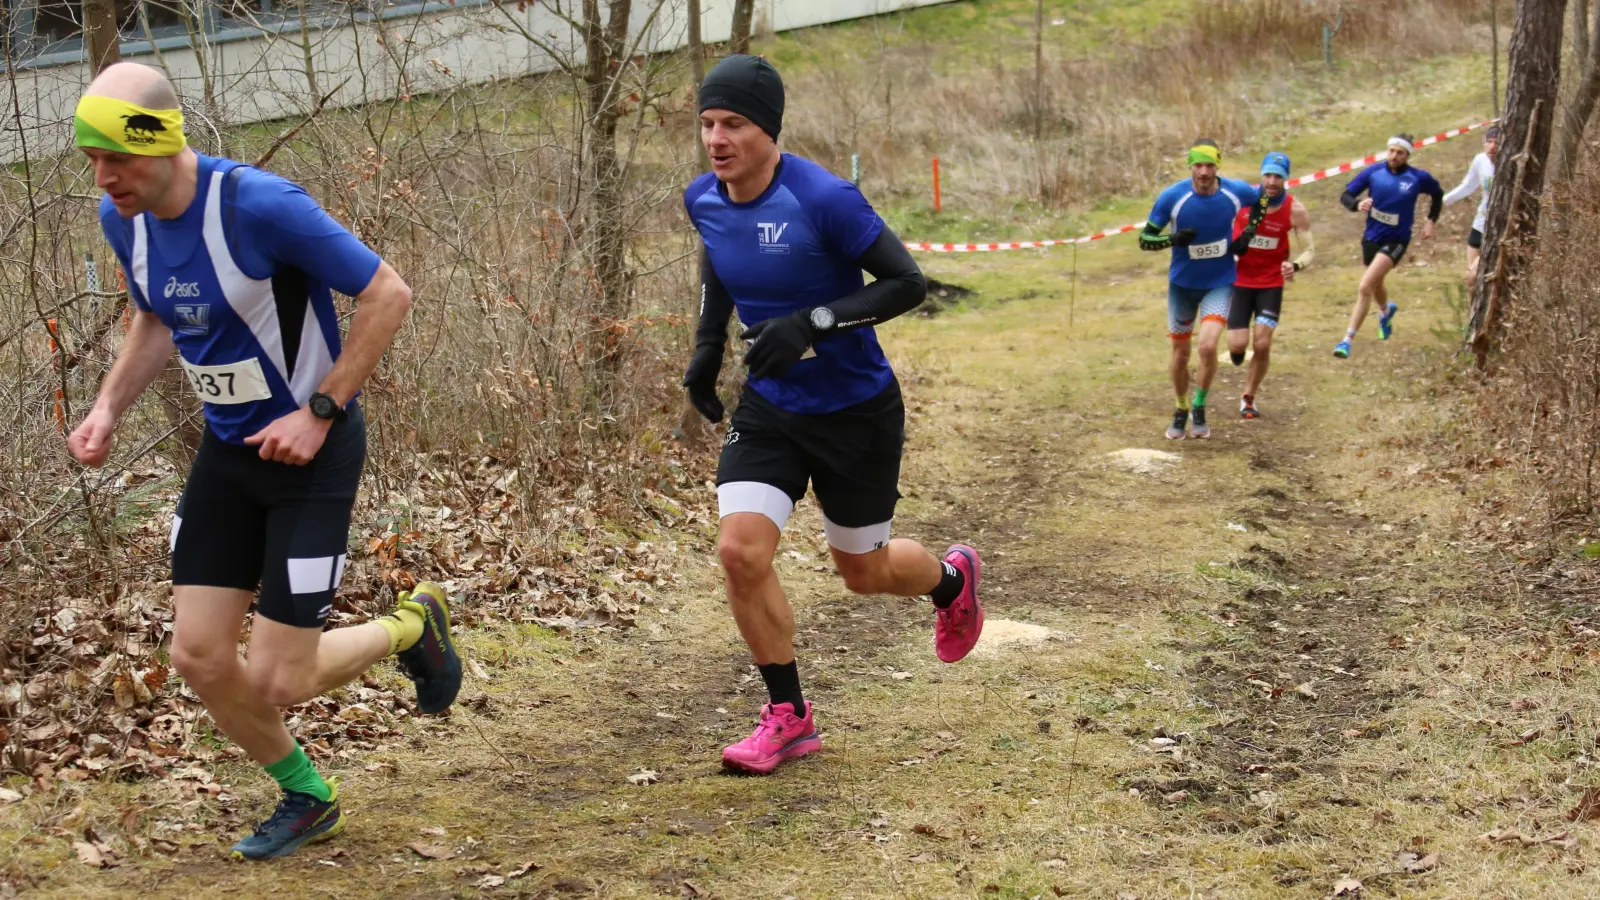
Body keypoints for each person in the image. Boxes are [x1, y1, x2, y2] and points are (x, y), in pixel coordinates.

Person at [66, 63, 461, 859]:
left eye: (118, 159)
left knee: (283, 677)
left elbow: (388, 292)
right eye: (92, 162)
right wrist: (108, 406)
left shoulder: (259, 206)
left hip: (311, 458)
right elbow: (152, 318)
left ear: (162, 142)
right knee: (201, 656)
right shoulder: (126, 218)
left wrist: (321, 409)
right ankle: (307, 795)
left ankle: (413, 626)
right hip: (228, 453)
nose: (105, 179)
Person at [681, 55, 984, 775]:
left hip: (855, 411)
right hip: (773, 408)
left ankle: (950, 581)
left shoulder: (824, 198)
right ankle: (789, 715)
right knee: (740, 553)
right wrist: (703, 348)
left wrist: (811, 322)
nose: (717, 139)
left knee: (865, 572)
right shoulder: (704, 199)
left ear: (770, 130)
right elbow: (720, 266)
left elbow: (907, 282)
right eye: (707, 124)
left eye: (734, 124)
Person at [1140, 138, 1270, 439]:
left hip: (1220, 282)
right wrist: (1173, 240)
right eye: (1197, 165)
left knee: (1208, 346)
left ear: (1217, 166)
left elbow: (1263, 199)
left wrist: (1249, 232)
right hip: (1182, 286)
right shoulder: (1172, 197)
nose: (1203, 171)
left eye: (1209, 164)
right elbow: (1145, 240)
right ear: (1190, 167)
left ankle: (1199, 404)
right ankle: (1181, 406)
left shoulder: (1234, 191)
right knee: (1180, 354)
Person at [1333, 134, 1443, 358]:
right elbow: (1345, 195)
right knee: (1376, 283)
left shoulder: (1417, 177)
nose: (1394, 156)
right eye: (1391, 151)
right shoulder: (1373, 173)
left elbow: (1437, 193)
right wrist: (1357, 204)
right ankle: (1386, 311)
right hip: (1372, 237)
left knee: (1365, 287)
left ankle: (1346, 341)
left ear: (1407, 155)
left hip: (1397, 240)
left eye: (1400, 152)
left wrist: (1430, 221)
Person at [1227, 152, 1314, 419]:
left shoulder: (1295, 209)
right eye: (1268, 175)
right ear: (1262, 176)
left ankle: (1248, 396)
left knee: (1262, 345)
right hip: (1240, 282)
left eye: (1278, 176)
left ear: (1286, 179)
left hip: (1271, 284)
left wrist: (1295, 265)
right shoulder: (1241, 201)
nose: (1272, 181)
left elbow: (1309, 249)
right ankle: (1237, 352)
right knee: (1238, 345)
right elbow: (1221, 226)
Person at [1443, 126, 1498, 289]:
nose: (1492, 146)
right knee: (1471, 280)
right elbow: (1468, 185)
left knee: (1476, 274)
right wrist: (1445, 200)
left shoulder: (1510, 163)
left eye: (1497, 142)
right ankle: (1474, 313)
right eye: (1489, 142)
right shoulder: (1480, 160)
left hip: (1498, 228)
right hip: (1480, 224)